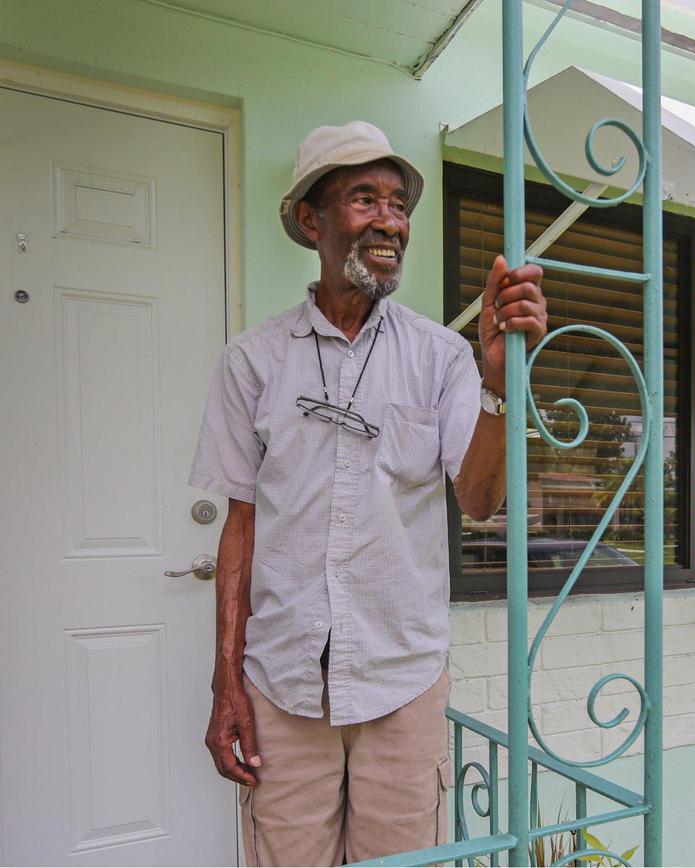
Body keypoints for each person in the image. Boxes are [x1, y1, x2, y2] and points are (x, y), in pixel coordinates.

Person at [189, 121, 546, 866]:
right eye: (364, 199)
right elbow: (241, 527)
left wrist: (497, 386)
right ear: (311, 220)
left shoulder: (443, 356)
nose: (390, 221)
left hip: (401, 680)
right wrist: (226, 681)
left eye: (398, 203)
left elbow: (478, 500)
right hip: (283, 684)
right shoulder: (253, 362)